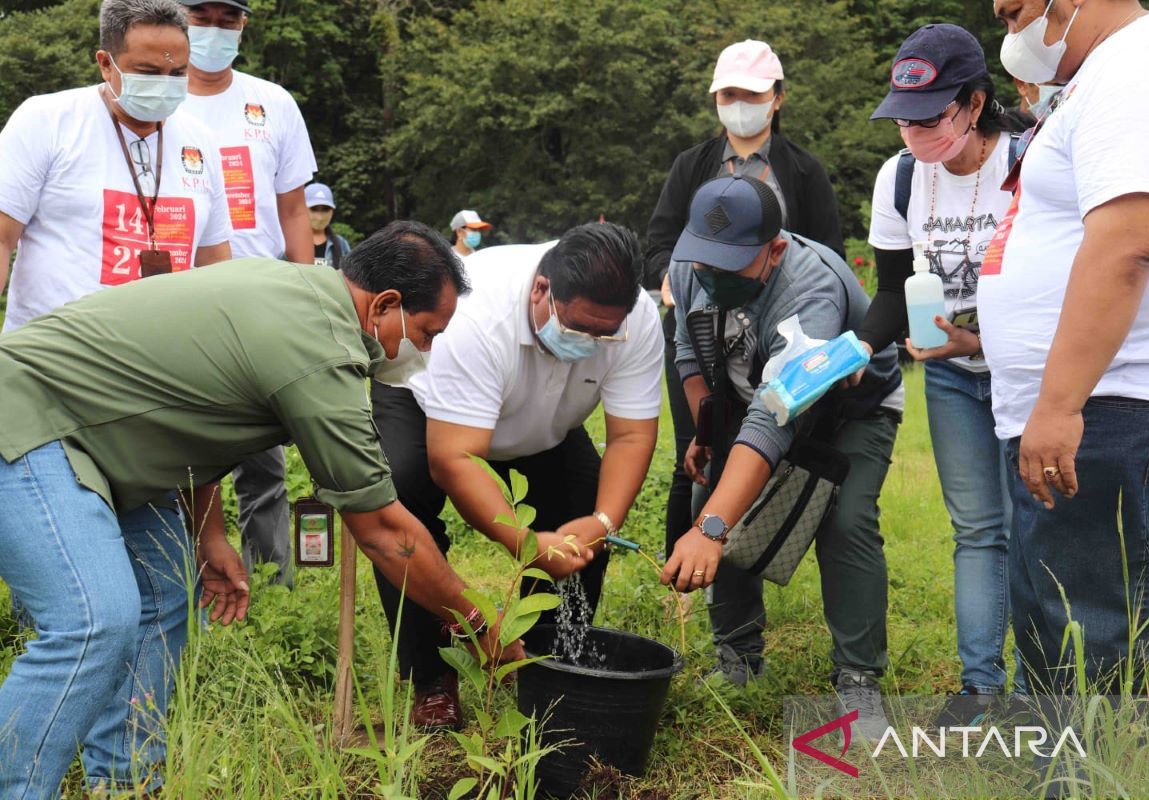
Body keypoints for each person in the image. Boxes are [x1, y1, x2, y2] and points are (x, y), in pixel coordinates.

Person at [0, 220, 579, 797]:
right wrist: (479, 621)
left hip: (96, 439)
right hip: (30, 420)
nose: (423, 351)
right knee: (94, 621)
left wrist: (210, 533)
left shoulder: (294, 289)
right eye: (426, 333)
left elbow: (188, 404)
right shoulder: (318, 348)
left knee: (161, 598)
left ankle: (124, 782)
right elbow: (387, 534)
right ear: (386, 304)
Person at [982, 0, 1149, 700]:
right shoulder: (1109, 70)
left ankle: (1100, 779)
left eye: (1015, 12)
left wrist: (1059, 402)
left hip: (1114, 401)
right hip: (1097, 403)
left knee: (1093, 635)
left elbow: (1128, 241)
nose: (1011, 30)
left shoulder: (1137, 66)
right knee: (1063, 621)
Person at [370, 223, 663, 729]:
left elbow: (631, 438)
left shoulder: (633, 318)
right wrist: (526, 543)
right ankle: (432, 678)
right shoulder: (475, 315)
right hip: (428, 408)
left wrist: (601, 520)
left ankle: (545, 665)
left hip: (541, 421)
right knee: (401, 499)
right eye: (579, 331)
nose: (592, 344)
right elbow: (455, 459)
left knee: (582, 505)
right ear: (541, 290)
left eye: (604, 335)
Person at [661, 175, 903, 741]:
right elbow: (687, 354)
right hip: (752, 400)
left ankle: (859, 678)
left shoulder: (809, 292)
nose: (713, 276)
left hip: (851, 410)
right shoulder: (686, 262)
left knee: (844, 521)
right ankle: (738, 659)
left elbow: (776, 418)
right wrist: (705, 431)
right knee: (715, 496)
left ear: (774, 250)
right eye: (705, 263)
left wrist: (712, 529)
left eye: (731, 265)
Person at [862, 24, 1027, 725]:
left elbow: (1065, 287)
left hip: (1030, 372)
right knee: (978, 529)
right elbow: (892, 293)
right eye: (903, 118)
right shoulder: (900, 178)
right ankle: (980, 684)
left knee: (1039, 527)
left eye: (929, 117)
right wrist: (848, 355)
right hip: (955, 380)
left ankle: (1044, 686)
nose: (914, 133)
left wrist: (979, 338)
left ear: (975, 103)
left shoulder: (1031, 162)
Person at [645, 40, 846, 613]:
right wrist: (674, 281)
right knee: (701, 454)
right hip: (704, 331)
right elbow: (661, 245)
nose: (740, 106)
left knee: (769, 434)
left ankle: (730, 543)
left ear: (776, 100)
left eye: (752, 95)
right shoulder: (692, 167)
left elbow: (824, 258)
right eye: (729, 94)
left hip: (785, 335)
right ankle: (686, 581)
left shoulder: (803, 170)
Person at [180, 0, 320, 588]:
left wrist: (309, 290)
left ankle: (271, 587)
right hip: (176, 300)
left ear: (243, 26)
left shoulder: (272, 103)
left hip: (257, 305)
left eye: (226, 19)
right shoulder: (155, 99)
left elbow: (293, 208)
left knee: (263, 459)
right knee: (178, 451)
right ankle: (180, 590)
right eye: (201, 16)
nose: (213, 30)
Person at [0, 0, 231, 332]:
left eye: (178, 73)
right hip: (54, 364)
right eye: (149, 72)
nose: (165, 83)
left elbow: (216, 267)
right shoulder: (47, 121)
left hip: (164, 363)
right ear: (106, 64)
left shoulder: (201, 142)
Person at [306, 182, 351, 268]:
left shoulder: (341, 244)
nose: (320, 216)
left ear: (332, 211)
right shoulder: (290, 244)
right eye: (314, 209)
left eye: (325, 209)